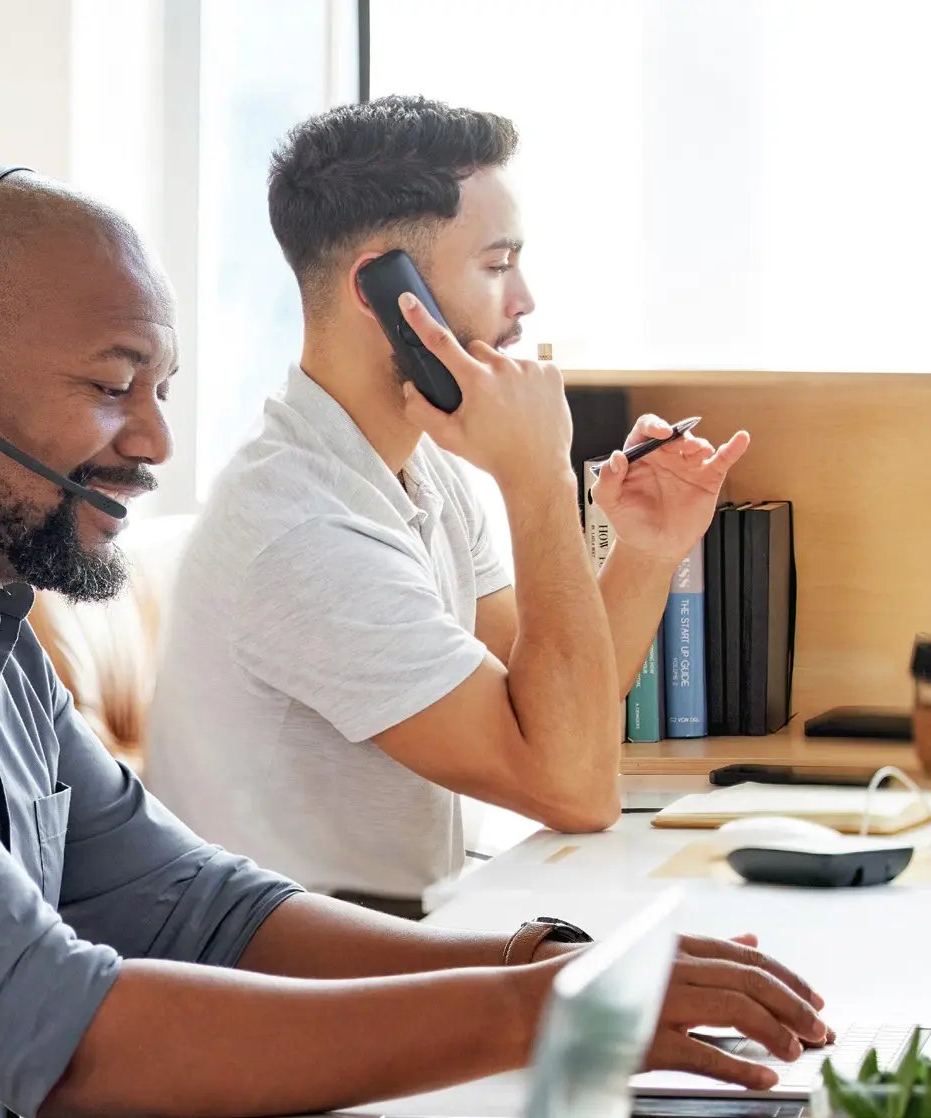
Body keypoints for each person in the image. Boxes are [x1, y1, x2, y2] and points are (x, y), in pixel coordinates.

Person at [0, 165, 820, 1117]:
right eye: (113, 385)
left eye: (162, 388)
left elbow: (195, 906)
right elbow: (69, 1039)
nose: (155, 441)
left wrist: (530, 956)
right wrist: (542, 1010)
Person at [149, 96, 750, 917]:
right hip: (303, 1000)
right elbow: (571, 786)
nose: (525, 300)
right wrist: (537, 478)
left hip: (398, 945)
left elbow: (544, 711)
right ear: (385, 292)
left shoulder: (416, 467)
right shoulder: (302, 532)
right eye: (497, 266)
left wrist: (642, 551)